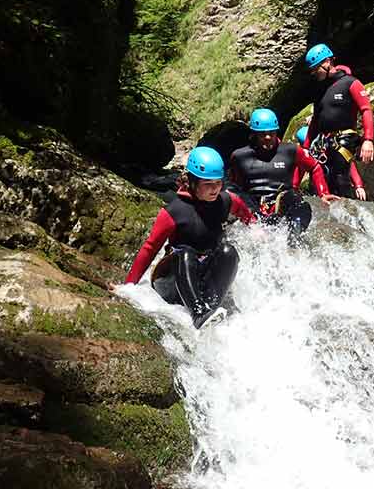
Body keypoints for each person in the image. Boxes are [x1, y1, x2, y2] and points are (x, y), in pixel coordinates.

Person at [125, 146, 255, 328]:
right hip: (173, 282)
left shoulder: (226, 201)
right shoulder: (174, 211)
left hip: (203, 280)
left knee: (228, 251)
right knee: (185, 253)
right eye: (208, 184)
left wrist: (258, 229)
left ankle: (211, 307)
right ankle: (199, 314)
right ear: (192, 182)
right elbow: (149, 248)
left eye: (218, 183)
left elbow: (243, 210)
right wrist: (128, 287)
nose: (215, 189)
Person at [228, 108, 337, 245]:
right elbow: (234, 187)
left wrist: (323, 193)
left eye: (271, 133)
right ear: (254, 134)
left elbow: (314, 167)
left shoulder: (290, 150)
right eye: (263, 134)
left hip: (283, 202)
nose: (268, 138)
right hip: (253, 206)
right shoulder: (239, 156)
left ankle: (294, 241)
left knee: (298, 202)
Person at [303, 43, 374, 199]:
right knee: (323, 180)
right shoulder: (319, 90)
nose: (315, 73)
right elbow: (316, 120)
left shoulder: (350, 83)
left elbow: (366, 110)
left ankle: (348, 212)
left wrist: (368, 140)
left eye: (317, 69)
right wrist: (306, 147)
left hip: (344, 140)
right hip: (324, 142)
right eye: (312, 71)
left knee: (340, 176)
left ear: (328, 62)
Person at [293, 125, 367, 201]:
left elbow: (349, 165)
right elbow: (300, 171)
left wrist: (358, 185)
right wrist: (294, 189)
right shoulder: (308, 155)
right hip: (320, 187)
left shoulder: (331, 148)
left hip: (336, 184)